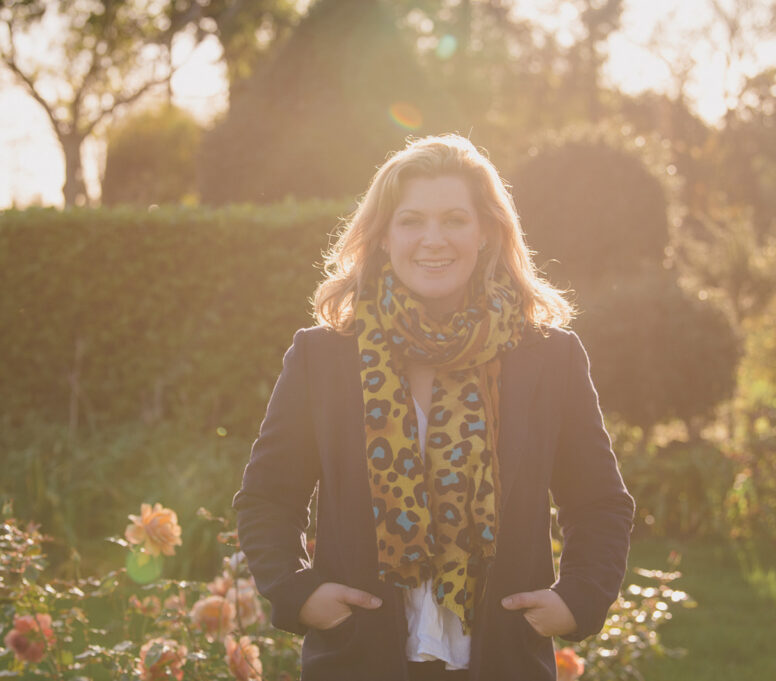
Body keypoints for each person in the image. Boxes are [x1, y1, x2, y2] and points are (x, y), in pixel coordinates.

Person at [232, 134, 635, 681]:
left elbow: (599, 503)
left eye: (454, 220)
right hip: (358, 659)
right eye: (411, 221)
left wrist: (579, 598)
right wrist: (297, 592)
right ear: (381, 237)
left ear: (487, 233)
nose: (432, 240)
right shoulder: (322, 356)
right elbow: (267, 497)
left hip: (502, 659)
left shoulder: (549, 358)